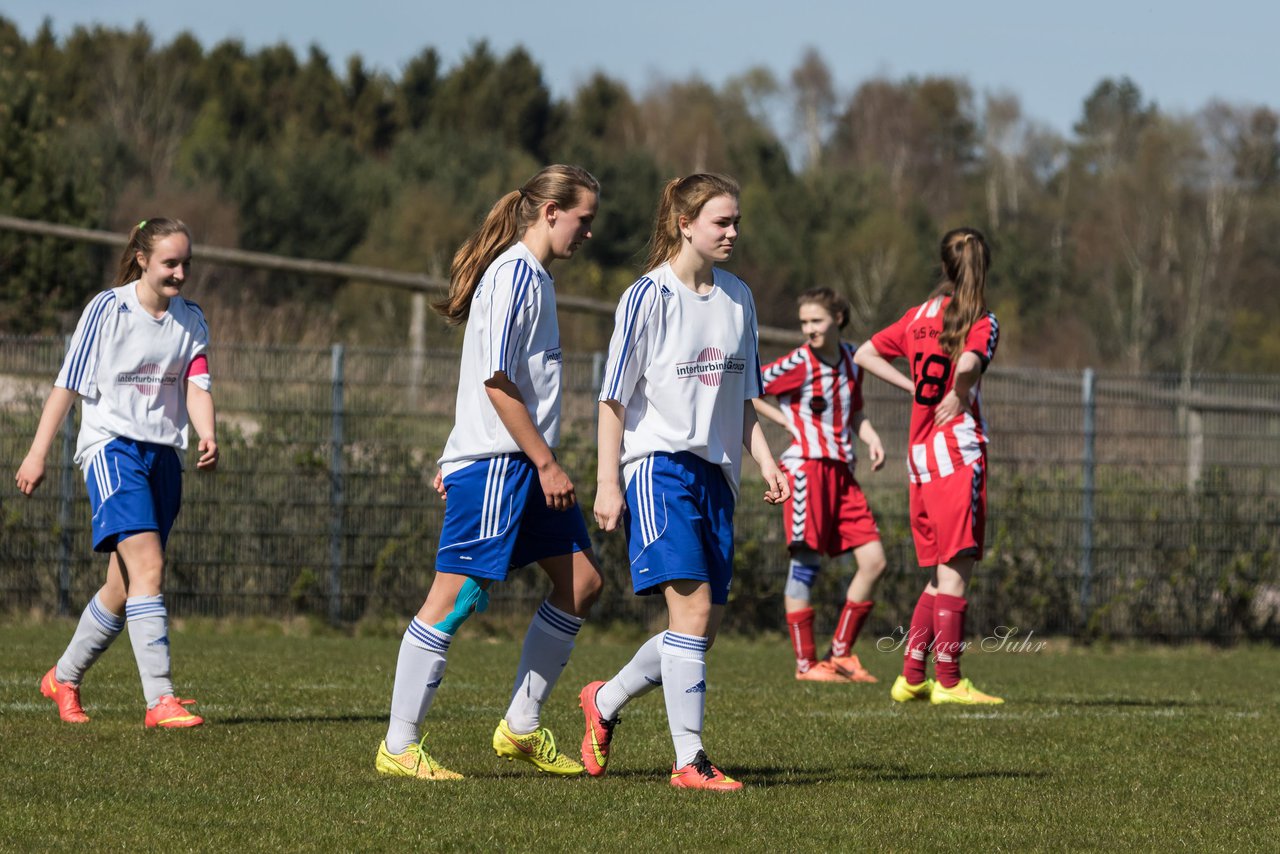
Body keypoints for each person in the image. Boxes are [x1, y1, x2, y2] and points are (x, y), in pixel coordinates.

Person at [375, 165, 605, 781]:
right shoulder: (513, 275)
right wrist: (546, 462)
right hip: (504, 464)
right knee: (451, 599)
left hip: (519, 464)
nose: (589, 233)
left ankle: (521, 728)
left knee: (581, 583)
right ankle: (399, 745)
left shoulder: (536, 279)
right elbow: (496, 381)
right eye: (584, 219)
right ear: (551, 211)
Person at [579, 173, 789, 792]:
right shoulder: (647, 296)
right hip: (656, 467)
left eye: (736, 222)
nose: (732, 233)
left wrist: (766, 461)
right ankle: (689, 762)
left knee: (697, 629)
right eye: (721, 222)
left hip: (716, 475)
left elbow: (743, 399)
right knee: (692, 610)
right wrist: (607, 482)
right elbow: (613, 400)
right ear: (684, 223)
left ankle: (604, 701)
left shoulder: (739, 298)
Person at [16, 218, 217, 729]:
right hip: (112, 452)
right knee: (149, 566)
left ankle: (63, 677)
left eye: (186, 264)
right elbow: (67, 385)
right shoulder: (108, 309)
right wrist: (37, 453)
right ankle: (160, 700)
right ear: (144, 259)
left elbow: (196, 385)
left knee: (125, 587)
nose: (179, 273)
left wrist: (208, 433)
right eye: (170, 262)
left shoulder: (191, 320)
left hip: (162, 458)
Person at [854, 226, 1003, 705]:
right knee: (956, 572)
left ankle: (912, 677)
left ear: (943, 266)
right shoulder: (979, 317)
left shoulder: (918, 316)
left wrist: (912, 387)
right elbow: (968, 364)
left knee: (939, 573)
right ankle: (951, 680)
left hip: (918, 459)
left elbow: (864, 353)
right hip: (956, 453)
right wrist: (958, 393)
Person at [753, 287, 887, 683]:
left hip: (843, 473)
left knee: (874, 561)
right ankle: (806, 665)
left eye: (817, 321)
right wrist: (784, 421)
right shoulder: (799, 362)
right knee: (805, 565)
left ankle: (842, 654)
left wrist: (872, 436)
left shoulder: (853, 359)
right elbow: (751, 388)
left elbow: (855, 411)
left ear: (838, 319)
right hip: (806, 471)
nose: (809, 329)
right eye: (805, 322)